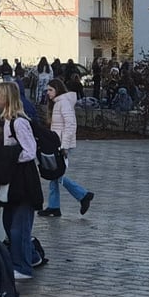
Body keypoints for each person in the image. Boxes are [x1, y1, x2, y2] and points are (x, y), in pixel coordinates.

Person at [0, 81, 42, 280]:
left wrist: (9, 157)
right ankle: (27, 258)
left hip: (23, 179)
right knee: (10, 222)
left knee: (19, 226)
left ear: (5, 98)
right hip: (15, 179)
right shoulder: (8, 121)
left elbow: (29, 151)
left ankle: (22, 265)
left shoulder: (18, 122)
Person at [39, 79, 94, 217]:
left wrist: (64, 145)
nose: (48, 93)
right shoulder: (58, 103)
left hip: (61, 144)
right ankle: (54, 206)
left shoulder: (63, 103)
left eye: (50, 90)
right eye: (47, 90)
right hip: (57, 143)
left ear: (58, 89)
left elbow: (70, 125)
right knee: (54, 174)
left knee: (57, 174)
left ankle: (83, 195)